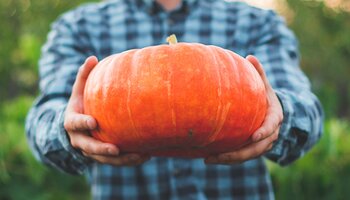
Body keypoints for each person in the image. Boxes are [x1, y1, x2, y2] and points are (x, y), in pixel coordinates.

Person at [25, 0, 324, 199]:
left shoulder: (257, 22)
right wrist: (68, 130)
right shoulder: (78, 27)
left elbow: (307, 114)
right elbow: (44, 117)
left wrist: (279, 115)